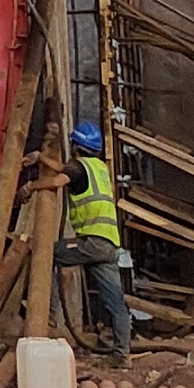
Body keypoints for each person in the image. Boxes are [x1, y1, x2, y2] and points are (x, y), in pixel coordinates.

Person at [64, 121, 134, 362]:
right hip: (110, 245)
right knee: (116, 303)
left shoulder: (77, 166)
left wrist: (30, 186)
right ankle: (122, 355)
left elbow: (56, 180)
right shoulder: (101, 168)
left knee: (48, 255)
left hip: (90, 244)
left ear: (75, 146)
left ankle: (51, 317)